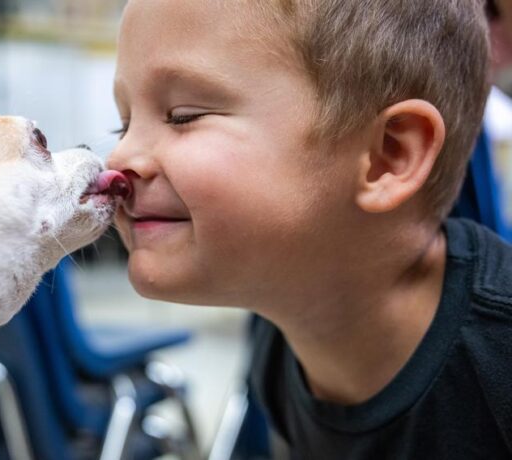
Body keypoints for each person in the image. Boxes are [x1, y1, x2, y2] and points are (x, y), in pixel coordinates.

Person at [106, 0, 512, 458]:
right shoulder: (281, 337)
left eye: (183, 115)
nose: (118, 162)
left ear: (388, 156)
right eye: (121, 125)